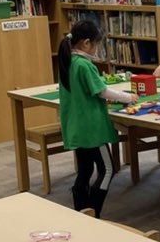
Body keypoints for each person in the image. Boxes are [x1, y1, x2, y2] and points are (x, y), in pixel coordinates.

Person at [57, 19, 136, 218]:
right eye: (96, 44)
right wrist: (129, 97)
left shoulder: (68, 62)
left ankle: (81, 212)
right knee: (107, 169)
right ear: (86, 43)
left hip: (76, 127)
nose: (97, 49)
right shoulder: (84, 65)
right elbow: (101, 91)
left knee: (85, 170)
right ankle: (94, 212)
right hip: (91, 129)